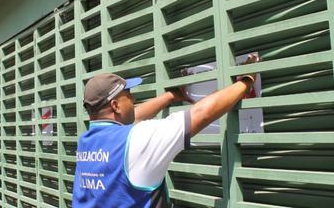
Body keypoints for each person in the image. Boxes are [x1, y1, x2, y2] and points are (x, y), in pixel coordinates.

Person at [72, 55, 260, 207]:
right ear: (115, 105)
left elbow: (133, 115)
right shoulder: (138, 140)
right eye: (128, 96)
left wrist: (171, 96)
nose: (134, 99)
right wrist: (246, 81)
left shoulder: (87, 141)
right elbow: (202, 113)